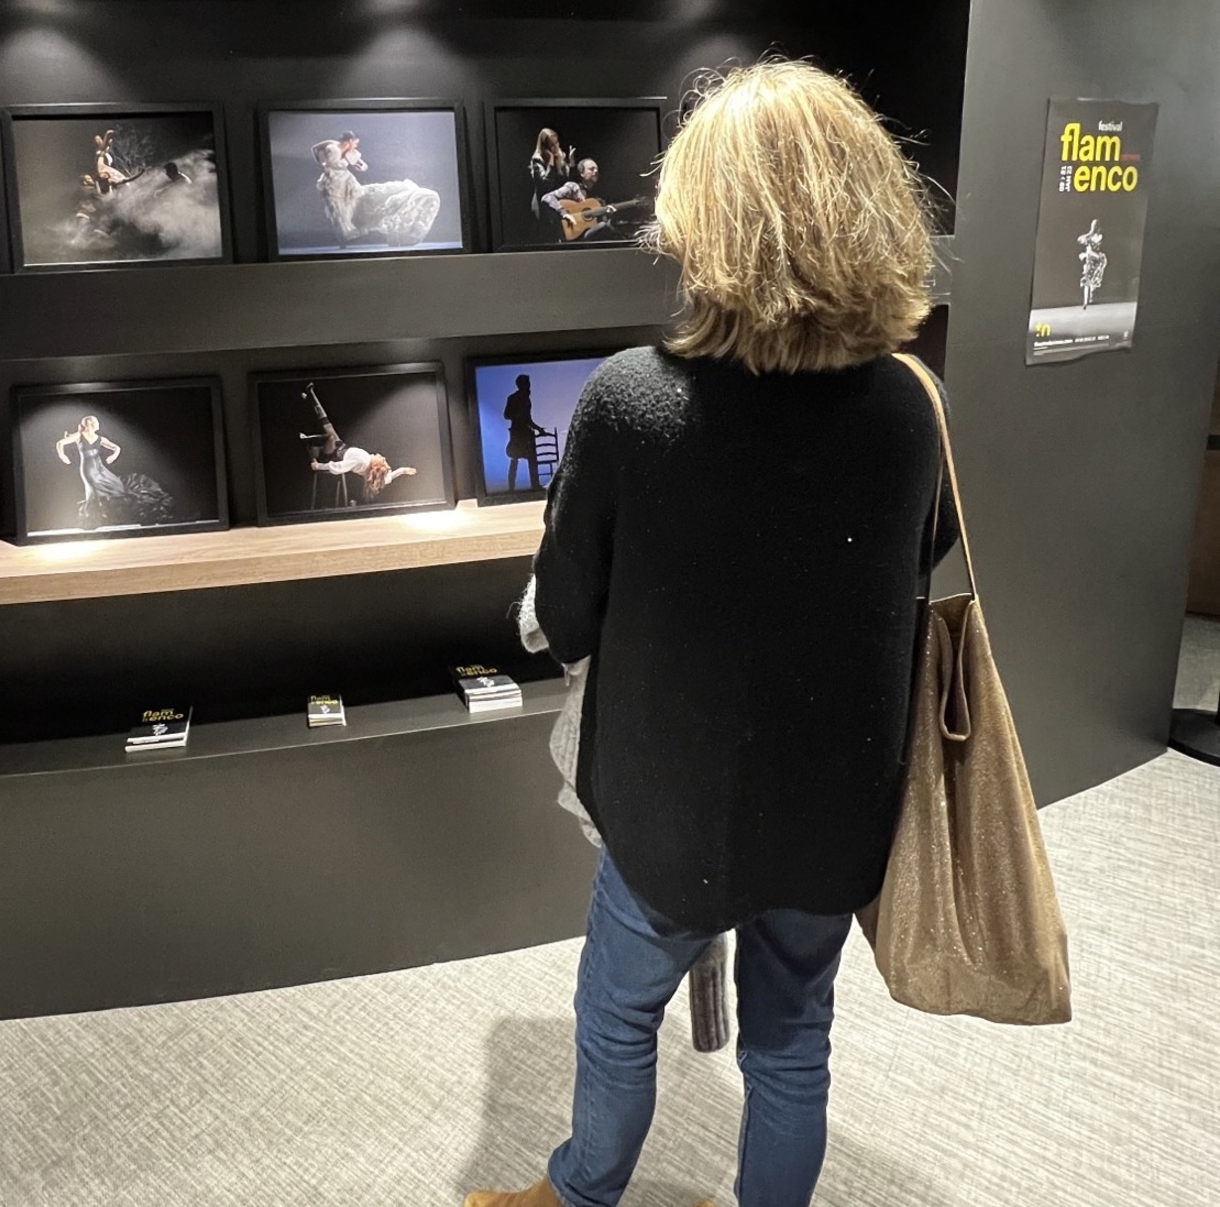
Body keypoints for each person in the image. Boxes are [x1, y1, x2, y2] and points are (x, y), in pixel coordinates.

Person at [464, 60, 959, 1207]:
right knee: (795, 1039)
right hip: (837, 800)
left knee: (616, 1009)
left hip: (671, 802)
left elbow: (568, 614)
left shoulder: (632, 400)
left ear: (706, 225)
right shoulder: (907, 403)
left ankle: (584, 1192)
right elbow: (915, 560)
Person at [312, 133, 442, 249]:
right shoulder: (333, 148)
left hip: (347, 181)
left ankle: (398, 225)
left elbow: (362, 165)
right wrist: (344, 160)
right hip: (335, 183)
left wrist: (358, 164)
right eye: (355, 143)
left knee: (362, 198)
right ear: (349, 140)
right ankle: (347, 233)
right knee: (340, 209)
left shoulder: (351, 152)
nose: (356, 146)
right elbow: (334, 164)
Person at [298, 382, 416, 504]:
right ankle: (310, 396)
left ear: (376, 467)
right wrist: (402, 470)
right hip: (341, 446)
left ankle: (309, 440)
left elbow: (339, 467)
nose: (384, 457)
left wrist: (319, 466)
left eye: (383, 461)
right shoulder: (374, 468)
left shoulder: (362, 462)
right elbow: (388, 478)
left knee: (329, 436)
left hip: (334, 453)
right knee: (326, 422)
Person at [54, 415, 174, 529]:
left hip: (99, 466)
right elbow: (60, 443)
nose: (97, 425)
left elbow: (116, 448)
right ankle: (91, 519)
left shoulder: (99, 438)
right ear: (89, 424)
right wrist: (63, 456)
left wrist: (113, 456)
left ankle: (109, 515)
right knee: (94, 490)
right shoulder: (79, 435)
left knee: (116, 486)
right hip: (88, 467)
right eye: (95, 423)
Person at [503, 374, 553, 492]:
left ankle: (534, 485)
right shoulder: (513, 398)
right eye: (526, 383)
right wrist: (517, 415)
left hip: (526, 433)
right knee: (514, 459)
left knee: (532, 459)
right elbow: (506, 415)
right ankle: (511, 488)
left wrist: (538, 429)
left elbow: (528, 419)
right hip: (517, 433)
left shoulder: (526, 399)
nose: (528, 385)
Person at [528, 126, 571, 218]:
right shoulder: (537, 159)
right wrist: (550, 163)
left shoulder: (560, 155)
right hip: (543, 204)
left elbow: (565, 180)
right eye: (552, 145)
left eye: (557, 143)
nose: (556, 147)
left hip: (557, 201)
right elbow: (545, 184)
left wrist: (570, 164)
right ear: (544, 147)